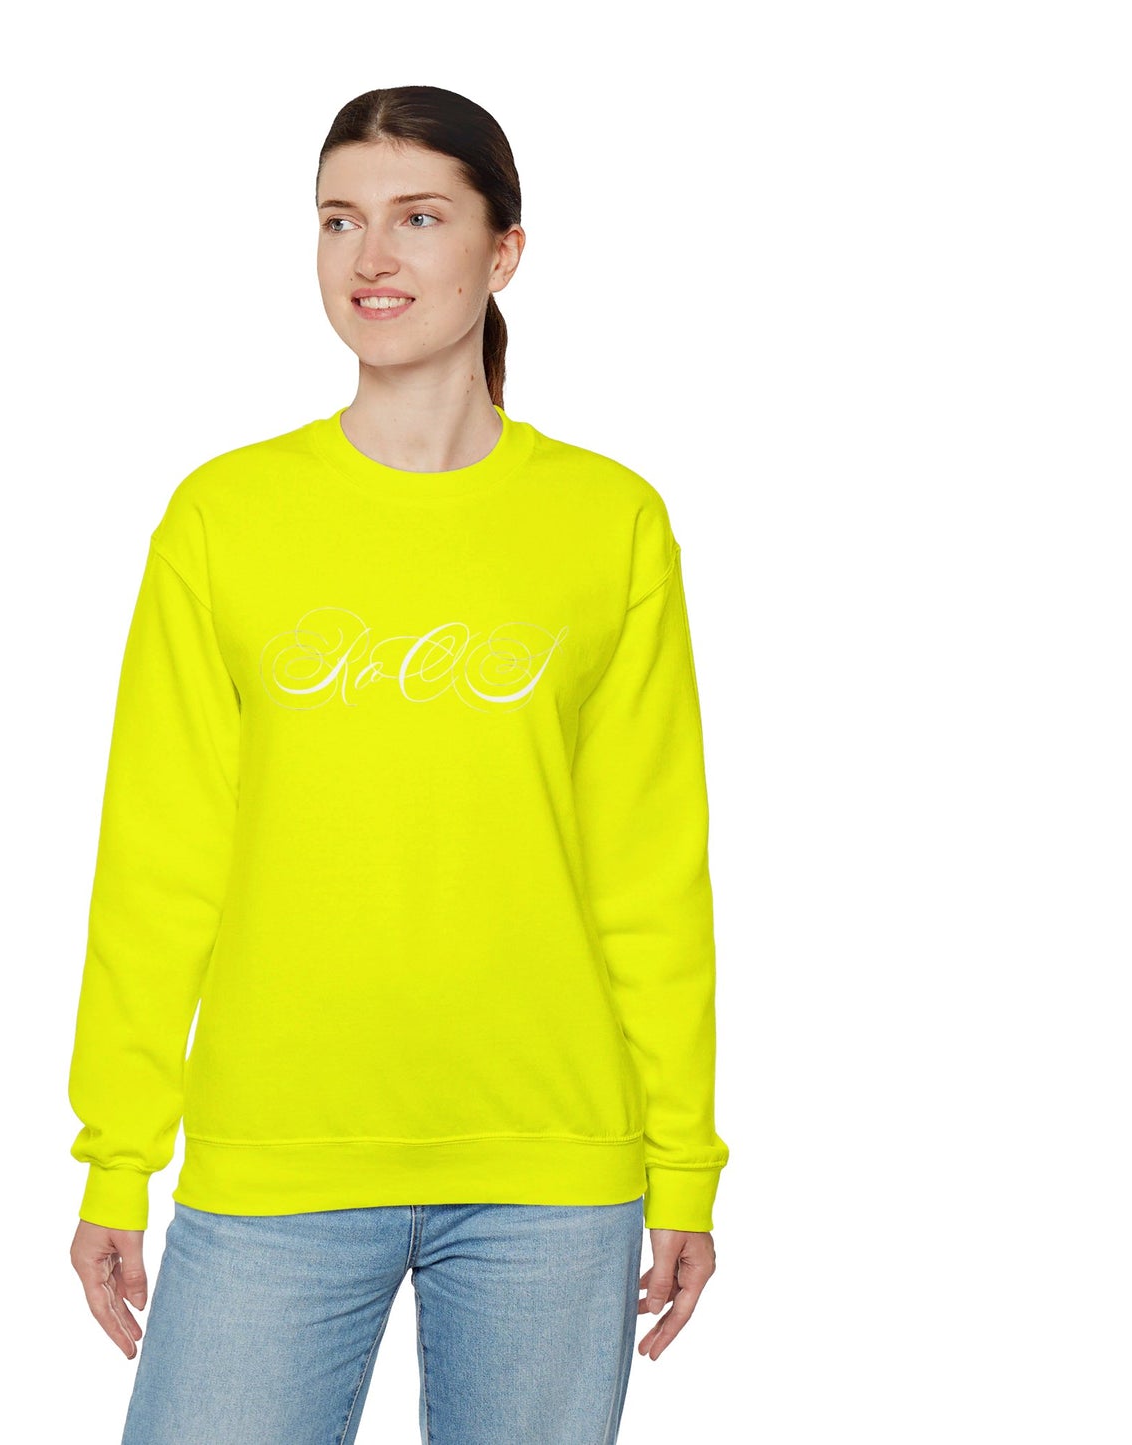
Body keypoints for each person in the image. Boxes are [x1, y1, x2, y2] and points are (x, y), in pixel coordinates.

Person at [66, 84, 730, 1445]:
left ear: (503, 251)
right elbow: (159, 861)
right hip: (278, 1155)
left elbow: (649, 873)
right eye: (338, 220)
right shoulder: (224, 518)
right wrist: (118, 1152)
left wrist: (682, 1166)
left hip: (551, 1168)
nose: (369, 256)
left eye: (418, 218)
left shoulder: (607, 522)